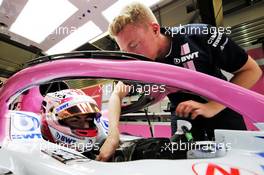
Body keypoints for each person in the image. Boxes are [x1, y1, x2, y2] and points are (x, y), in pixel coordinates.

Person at [96, 2, 262, 161]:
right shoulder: (138, 63)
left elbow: (251, 71)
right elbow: (116, 94)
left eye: (133, 45)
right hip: (184, 117)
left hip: (222, 110)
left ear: (155, 29)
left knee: (234, 161)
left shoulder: (199, 36)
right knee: (181, 163)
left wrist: (212, 106)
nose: (130, 55)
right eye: (124, 50)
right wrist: (113, 135)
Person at [40, 89, 106, 156]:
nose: (86, 126)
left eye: (88, 120)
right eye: (75, 120)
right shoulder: (37, 153)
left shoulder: (98, 149)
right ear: (53, 121)